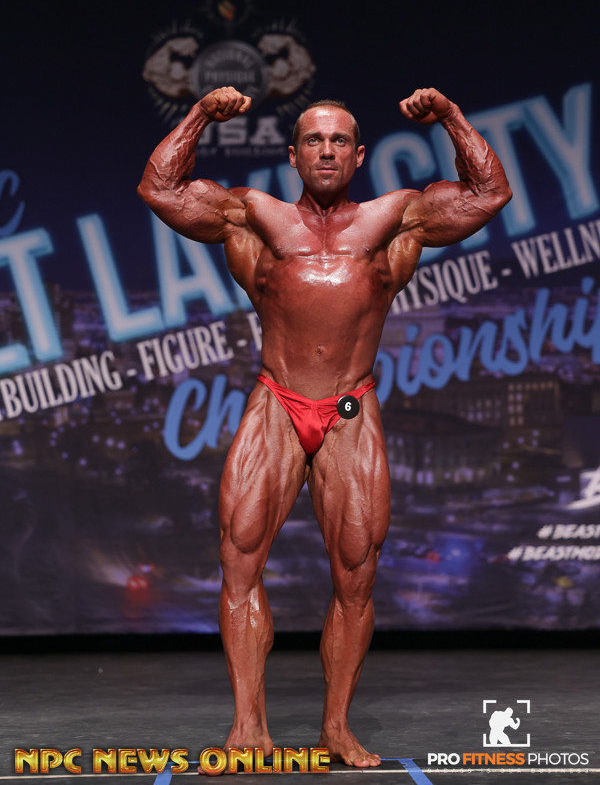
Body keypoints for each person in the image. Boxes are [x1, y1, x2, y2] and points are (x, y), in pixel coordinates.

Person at [137, 85, 511, 767]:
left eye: (340, 140)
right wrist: (200, 115)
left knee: (356, 575)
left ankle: (336, 727)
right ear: (294, 155)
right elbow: (159, 188)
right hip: (276, 402)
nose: (327, 150)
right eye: (314, 140)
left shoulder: (396, 219)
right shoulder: (253, 216)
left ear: (360, 155)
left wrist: (451, 117)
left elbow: (490, 194)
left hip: (349, 408)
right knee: (239, 559)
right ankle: (248, 726)